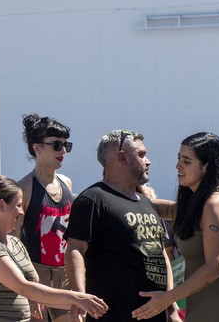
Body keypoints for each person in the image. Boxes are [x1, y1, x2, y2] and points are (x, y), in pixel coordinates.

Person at [132, 132, 219, 322]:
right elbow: (162, 208)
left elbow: (213, 267)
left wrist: (167, 299)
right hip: (207, 305)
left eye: (186, 161)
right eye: (178, 159)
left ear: (206, 167)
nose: (178, 166)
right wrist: (121, 192)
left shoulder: (215, 204)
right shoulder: (199, 204)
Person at [0, 175, 108, 322]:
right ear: (2, 205)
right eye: (18, 205)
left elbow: (32, 285)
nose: (22, 211)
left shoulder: (15, 243)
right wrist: (76, 298)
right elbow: (23, 287)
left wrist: (74, 303)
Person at [64, 130, 180, 322]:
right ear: (122, 157)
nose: (148, 161)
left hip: (154, 314)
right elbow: (75, 249)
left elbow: (161, 256)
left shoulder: (145, 202)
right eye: (141, 155)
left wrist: (171, 305)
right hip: (113, 314)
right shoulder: (93, 199)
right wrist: (79, 297)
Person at [16, 114, 75, 322]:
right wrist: (27, 287)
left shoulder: (66, 183)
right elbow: (14, 242)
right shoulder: (24, 188)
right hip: (36, 275)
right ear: (37, 147)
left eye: (66, 144)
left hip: (65, 274)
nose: (63, 151)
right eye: (57, 145)